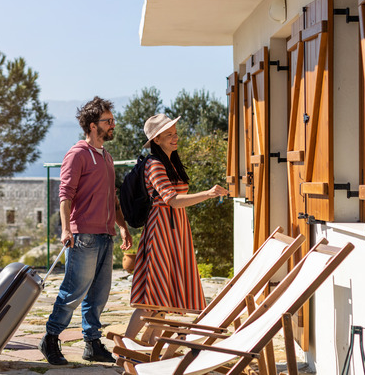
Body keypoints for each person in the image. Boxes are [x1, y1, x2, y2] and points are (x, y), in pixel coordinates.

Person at [39, 96, 132, 365]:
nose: (113, 124)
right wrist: (66, 230)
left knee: (99, 294)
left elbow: (111, 198)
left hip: (105, 235)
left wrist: (122, 227)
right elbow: (65, 194)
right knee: (73, 290)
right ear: (93, 126)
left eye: (112, 120)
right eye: (108, 121)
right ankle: (51, 338)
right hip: (83, 236)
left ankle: (91, 343)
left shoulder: (108, 158)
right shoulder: (77, 154)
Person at [126, 113, 228, 337]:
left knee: (164, 293)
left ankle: (149, 344)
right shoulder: (154, 164)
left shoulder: (171, 163)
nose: (175, 137)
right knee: (152, 294)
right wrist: (208, 193)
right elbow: (171, 200)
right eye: (168, 134)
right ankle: (124, 346)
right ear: (156, 140)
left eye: (175, 133)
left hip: (176, 229)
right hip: (161, 229)